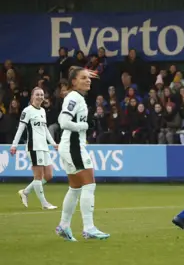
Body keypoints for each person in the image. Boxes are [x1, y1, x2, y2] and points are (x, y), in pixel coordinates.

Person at [55, 66, 110, 241]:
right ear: (73, 82)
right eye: (83, 78)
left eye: (89, 78)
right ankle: (89, 228)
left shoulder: (76, 97)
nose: (88, 80)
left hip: (69, 146)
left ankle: (64, 225)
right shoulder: (74, 97)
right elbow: (63, 121)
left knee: (75, 187)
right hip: (73, 147)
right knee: (89, 184)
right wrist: (84, 126)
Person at [12, 87, 58, 210]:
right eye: (37, 94)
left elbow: (45, 130)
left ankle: (25, 192)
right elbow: (20, 129)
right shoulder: (27, 111)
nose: (40, 97)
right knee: (38, 176)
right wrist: (14, 145)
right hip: (34, 146)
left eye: (42, 94)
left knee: (48, 175)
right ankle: (44, 204)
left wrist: (53, 143)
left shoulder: (43, 111)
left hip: (44, 146)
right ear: (32, 96)